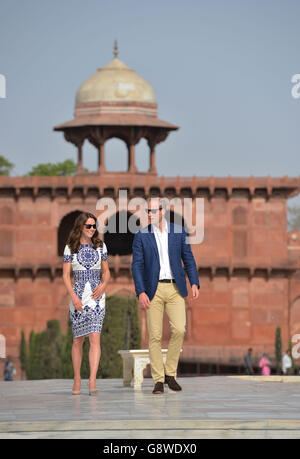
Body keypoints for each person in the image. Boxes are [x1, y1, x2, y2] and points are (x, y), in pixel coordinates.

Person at [131, 197, 200, 394]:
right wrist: (141, 290)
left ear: (163, 211)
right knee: (155, 335)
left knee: (179, 329)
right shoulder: (142, 235)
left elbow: (188, 257)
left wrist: (194, 282)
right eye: (148, 211)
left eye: (153, 211)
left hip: (175, 287)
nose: (150, 214)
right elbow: (136, 265)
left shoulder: (178, 232)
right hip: (153, 290)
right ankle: (159, 380)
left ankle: (170, 373)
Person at [63, 212, 110, 395]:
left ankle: (92, 381)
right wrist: (73, 296)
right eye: (88, 226)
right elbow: (66, 276)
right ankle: (77, 379)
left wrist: (104, 285)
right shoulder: (70, 248)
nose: (92, 229)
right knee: (77, 340)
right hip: (78, 296)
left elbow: (106, 272)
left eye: (94, 226)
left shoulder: (100, 246)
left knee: (95, 338)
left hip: (97, 297)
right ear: (80, 227)